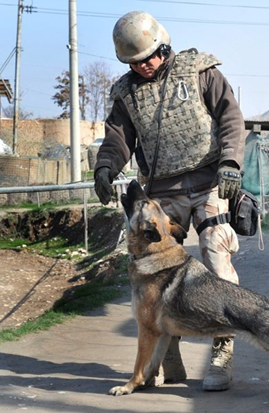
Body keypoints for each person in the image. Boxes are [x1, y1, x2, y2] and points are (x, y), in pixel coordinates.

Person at [94, 10, 245, 391]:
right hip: (162, 191)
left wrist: (230, 162)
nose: (142, 66)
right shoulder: (126, 94)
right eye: (134, 62)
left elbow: (230, 117)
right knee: (158, 277)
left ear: (162, 47)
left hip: (210, 182)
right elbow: (118, 137)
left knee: (217, 263)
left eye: (147, 58)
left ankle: (222, 351)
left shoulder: (200, 71)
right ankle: (167, 357)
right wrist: (105, 167)